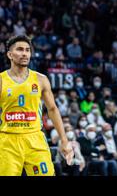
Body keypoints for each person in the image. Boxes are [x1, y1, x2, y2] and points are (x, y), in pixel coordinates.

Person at [0, 35, 74, 175]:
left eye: (28, 50)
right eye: (20, 49)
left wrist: (64, 140)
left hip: (35, 138)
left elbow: (52, 109)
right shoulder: (1, 80)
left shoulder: (41, 79)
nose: (25, 53)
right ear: (10, 54)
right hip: (7, 140)